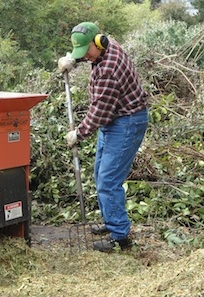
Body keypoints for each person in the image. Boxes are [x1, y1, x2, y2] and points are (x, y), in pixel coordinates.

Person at [58, 22, 149, 252]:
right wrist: (73, 60)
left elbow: (99, 112)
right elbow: (88, 53)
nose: (85, 56)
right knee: (101, 175)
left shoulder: (109, 70)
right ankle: (112, 222)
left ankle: (120, 237)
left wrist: (78, 133)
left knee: (108, 181)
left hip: (127, 122)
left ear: (98, 42)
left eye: (86, 52)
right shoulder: (105, 46)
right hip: (115, 119)